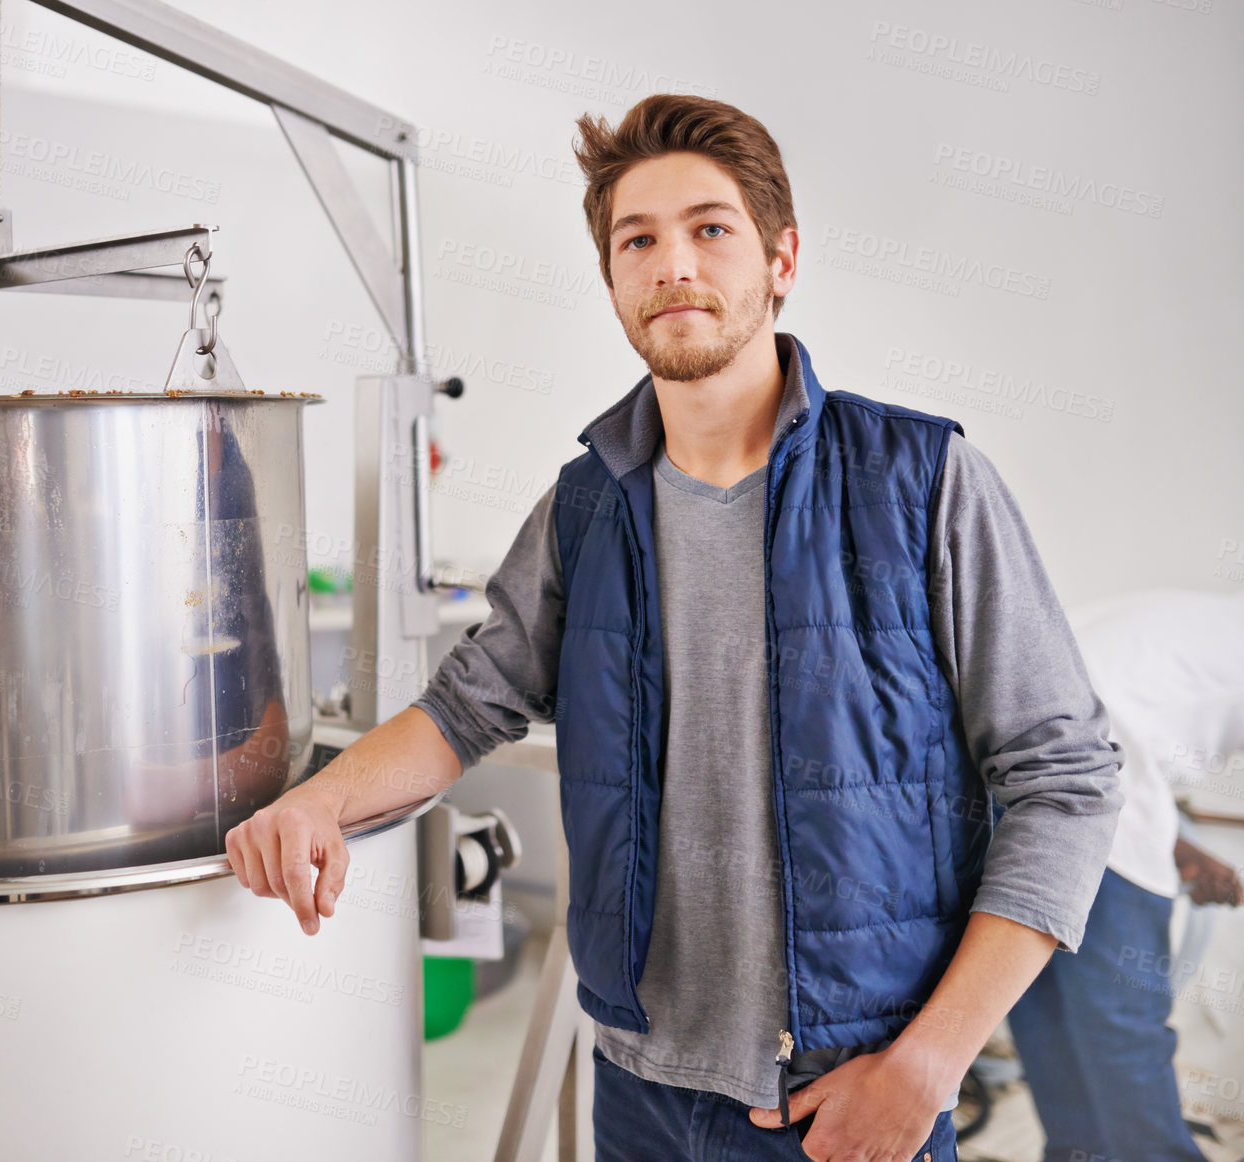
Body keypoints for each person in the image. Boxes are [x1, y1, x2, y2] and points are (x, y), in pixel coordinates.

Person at [224, 94, 1124, 1162]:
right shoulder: (587, 504)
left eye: (710, 229)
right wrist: (321, 794)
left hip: (845, 1094)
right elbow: (471, 702)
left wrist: (930, 1066)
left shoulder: (921, 483)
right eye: (636, 240)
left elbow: (1066, 779)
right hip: (638, 1093)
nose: (672, 264)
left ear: (781, 259)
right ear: (612, 281)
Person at [1008, 589, 1244, 1162]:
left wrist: (1179, 846)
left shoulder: (1201, 617)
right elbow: (1110, 738)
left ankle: (1076, 1152)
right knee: (1120, 1024)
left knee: (1048, 1004)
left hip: (1004, 776)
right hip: (1086, 778)